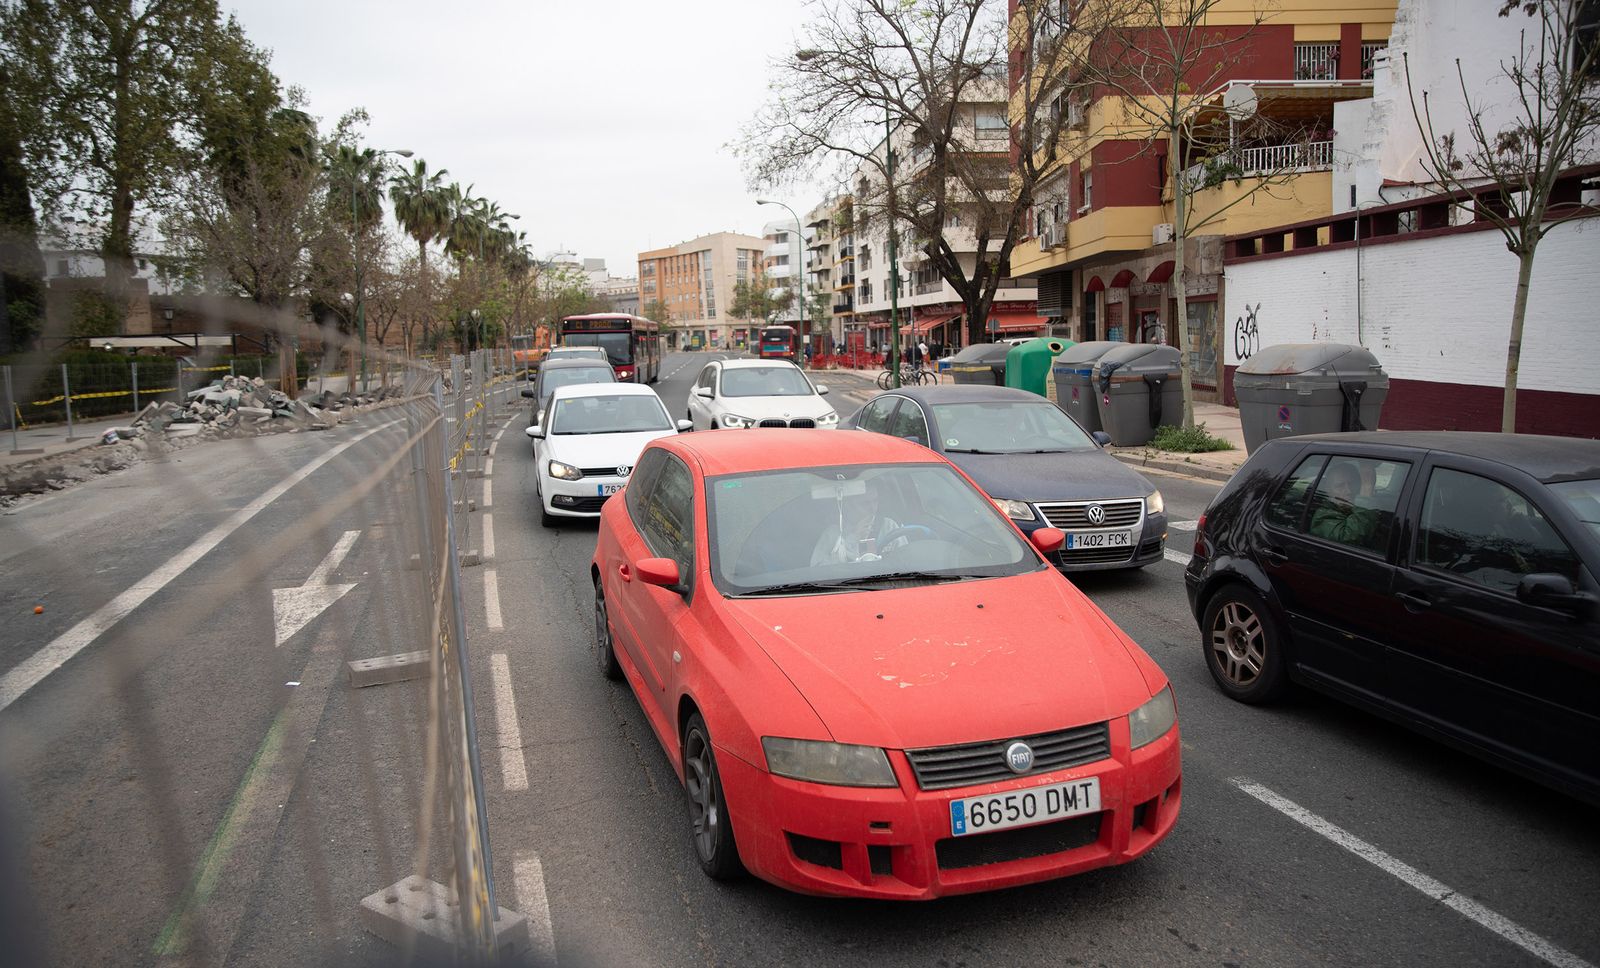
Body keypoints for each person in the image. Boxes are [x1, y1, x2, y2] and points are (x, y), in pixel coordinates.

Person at [811, 479, 906, 565]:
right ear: (849, 505)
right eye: (865, 503)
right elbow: (817, 569)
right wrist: (853, 539)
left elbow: (906, 559)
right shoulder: (833, 533)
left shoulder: (889, 526)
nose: (873, 508)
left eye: (875, 501)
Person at [1309, 462, 1381, 548]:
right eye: (1340, 486)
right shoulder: (1323, 516)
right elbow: (1348, 540)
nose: (1349, 491)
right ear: (1328, 490)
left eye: (1352, 484)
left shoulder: (1355, 508)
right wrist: (1366, 492)